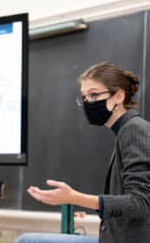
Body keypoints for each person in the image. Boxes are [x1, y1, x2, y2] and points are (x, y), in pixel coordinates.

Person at [16, 62, 150, 243]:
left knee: (28, 241)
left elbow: (140, 203)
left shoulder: (134, 129)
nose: (88, 102)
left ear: (118, 96)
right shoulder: (125, 131)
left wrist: (74, 198)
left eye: (94, 95)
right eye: (84, 98)